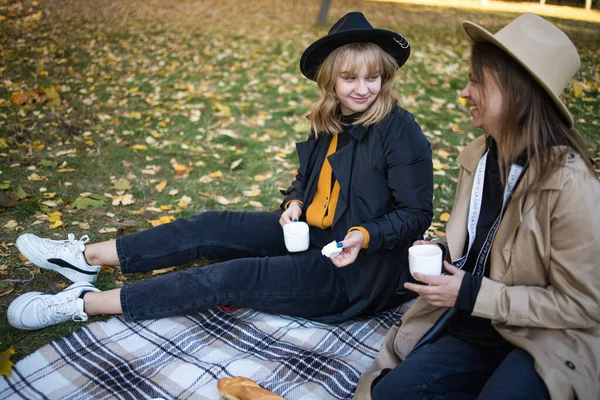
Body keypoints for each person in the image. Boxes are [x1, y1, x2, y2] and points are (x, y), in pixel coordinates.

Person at [7, 12, 433, 331]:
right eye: (350, 78)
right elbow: (309, 175)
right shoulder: (330, 116)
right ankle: (87, 258)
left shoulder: (400, 129)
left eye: (373, 77)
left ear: (386, 77)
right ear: (330, 82)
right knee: (212, 224)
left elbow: (415, 214)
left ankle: (83, 304)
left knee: (231, 277)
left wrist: (360, 236)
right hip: (314, 232)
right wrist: (294, 201)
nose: (363, 89)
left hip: (356, 271)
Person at [353, 13, 600, 400]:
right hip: (480, 326)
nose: (464, 93)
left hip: (546, 337)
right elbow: (479, 244)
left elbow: (584, 305)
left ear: (516, 91)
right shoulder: (479, 156)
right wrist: (440, 252)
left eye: (476, 81)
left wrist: (470, 294)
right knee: (392, 392)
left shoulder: (571, 185)